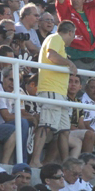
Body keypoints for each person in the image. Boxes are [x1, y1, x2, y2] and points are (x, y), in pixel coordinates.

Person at [31, 20, 77, 167]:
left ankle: (66, 165)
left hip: (60, 93)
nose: (73, 38)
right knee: (45, 125)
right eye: (74, 34)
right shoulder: (55, 38)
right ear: (70, 32)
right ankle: (35, 161)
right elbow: (52, 55)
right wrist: (69, 63)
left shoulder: (59, 43)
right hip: (51, 90)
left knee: (64, 130)